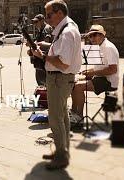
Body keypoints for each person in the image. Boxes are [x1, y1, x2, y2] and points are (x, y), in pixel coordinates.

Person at [31, 0, 82, 169]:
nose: (46, 19)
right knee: (63, 116)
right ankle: (62, 150)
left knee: (55, 117)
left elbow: (63, 63)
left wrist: (42, 56)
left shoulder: (67, 32)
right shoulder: (66, 28)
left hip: (60, 79)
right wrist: (44, 49)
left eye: (49, 15)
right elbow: (59, 52)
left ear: (59, 12)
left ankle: (61, 157)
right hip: (61, 79)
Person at [70, 24, 119, 121]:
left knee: (78, 87)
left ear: (102, 35)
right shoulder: (99, 46)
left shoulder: (108, 47)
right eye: (90, 36)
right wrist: (88, 71)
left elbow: (113, 69)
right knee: (73, 83)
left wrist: (92, 73)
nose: (92, 38)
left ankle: (79, 116)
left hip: (109, 81)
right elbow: (100, 67)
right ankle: (73, 112)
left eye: (95, 35)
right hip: (101, 77)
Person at [27, 14, 53, 86]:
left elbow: (46, 43)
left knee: (45, 83)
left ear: (42, 21)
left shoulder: (46, 29)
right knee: (41, 82)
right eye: (34, 22)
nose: (35, 24)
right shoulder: (40, 30)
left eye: (36, 22)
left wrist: (34, 45)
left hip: (44, 59)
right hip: (39, 59)